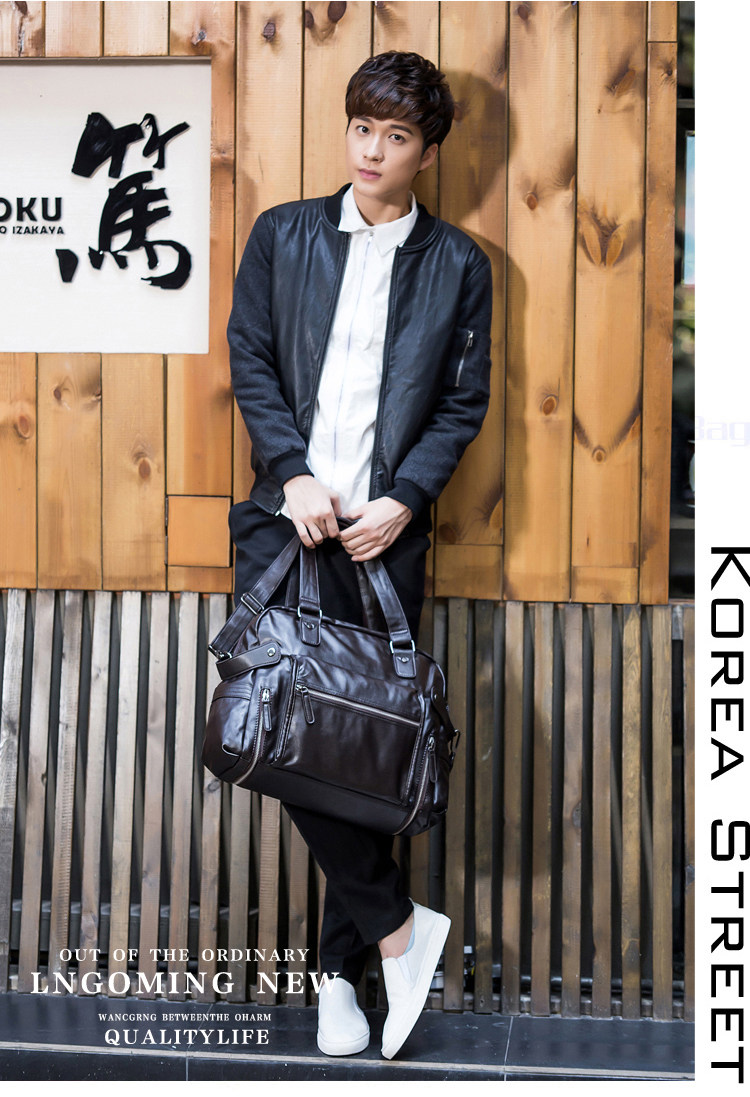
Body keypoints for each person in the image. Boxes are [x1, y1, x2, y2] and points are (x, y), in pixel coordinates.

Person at [227, 50, 492, 1061]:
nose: (373, 151)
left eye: (396, 136)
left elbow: (462, 401)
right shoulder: (284, 234)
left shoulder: (458, 265)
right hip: (284, 524)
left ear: (428, 151)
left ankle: (340, 976)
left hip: (383, 538)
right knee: (280, 730)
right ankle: (394, 929)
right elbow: (251, 356)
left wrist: (405, 497)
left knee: (364, 752)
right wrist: (292, 471)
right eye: (361, 129)